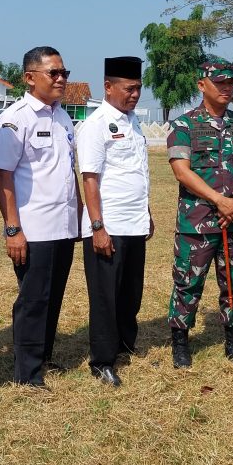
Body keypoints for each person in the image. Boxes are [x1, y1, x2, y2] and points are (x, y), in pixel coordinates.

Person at [0, 46, 82, 387]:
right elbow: (3, 175)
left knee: (54, 294)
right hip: (34, 227)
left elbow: (68, 170)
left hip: (63, 224)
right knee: (33, 299)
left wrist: (78, 214)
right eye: (53, 73)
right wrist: (12, 228)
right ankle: (27, 372)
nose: (61, 79)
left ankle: (43, 355)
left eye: (64, 73)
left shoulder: (63, 117)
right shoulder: (15, 119)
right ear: (30, 78)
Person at [166, 56, 233, 368]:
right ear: (201, 85)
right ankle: (181, 342)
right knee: (188, 282)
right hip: (197, 221)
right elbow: (181, 171)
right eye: (219, 82)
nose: (226, 88)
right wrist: (219, 200)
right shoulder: (184, 125)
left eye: (230, 82)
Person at [77, 56, 152, 387]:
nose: (135, 94)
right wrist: (98, 227)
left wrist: (147, 212)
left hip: (134, 222)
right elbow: (90, 179)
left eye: (138, 88)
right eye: (129, 89)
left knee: (130, 292)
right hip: (108, 225)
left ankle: (124, 345)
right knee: (105, 296)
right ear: (108, 87)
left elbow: (138, 172)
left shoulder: (133, 122)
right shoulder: (96, 125)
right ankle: (102, 361)